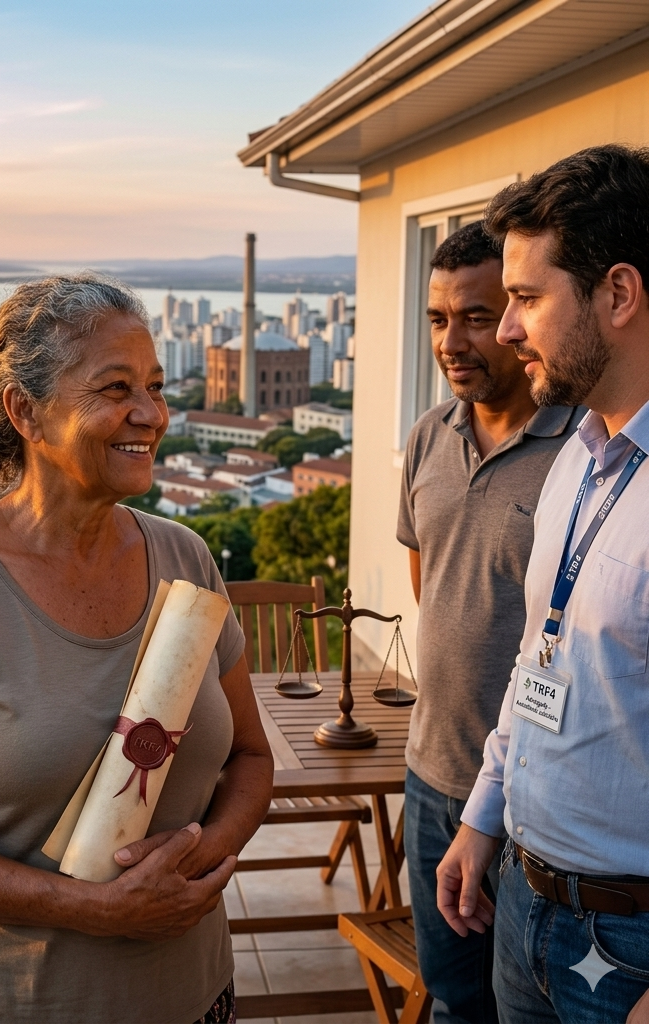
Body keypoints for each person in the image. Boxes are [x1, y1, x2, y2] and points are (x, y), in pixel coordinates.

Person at [0, 274, 274, 1024]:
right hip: (3, 1004)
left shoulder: (186, 558)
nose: (149, 414)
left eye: (154, 386)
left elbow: (249, 757)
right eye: (115, 389)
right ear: (25, 412)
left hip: (189, 995)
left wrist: (193, 865)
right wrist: (93, 908)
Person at [436, 145, 649, 1024]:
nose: (509, 328)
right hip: (524, 905)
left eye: (526, 298)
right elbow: (541, 662)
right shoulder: (578, 462)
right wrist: (483, 818)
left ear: (618, 294)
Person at [398, 221, 582, 1023]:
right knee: (450, 1002)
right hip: (432, 776)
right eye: (438, 319)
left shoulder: (586, 448)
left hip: (530, 805)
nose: (455, 340)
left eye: (476, 315)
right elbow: (429, 586)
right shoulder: (426, 437)